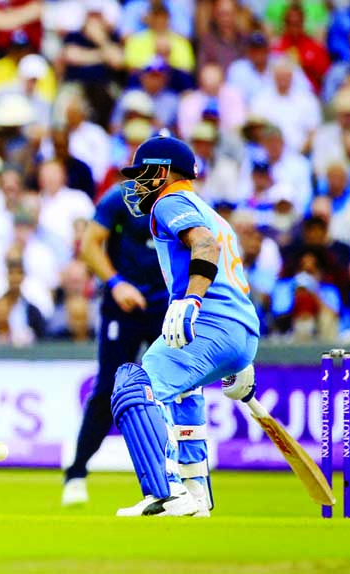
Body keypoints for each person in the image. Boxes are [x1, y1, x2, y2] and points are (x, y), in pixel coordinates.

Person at [110, 135, 259, 517]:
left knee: (135, 386)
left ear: (162, 172)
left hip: (208, 319)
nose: (136, 184)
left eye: (142, 175)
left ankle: (166, 492)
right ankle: (195, 494)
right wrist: (239, 358)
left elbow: (205, 246)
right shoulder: (211, 211)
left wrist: (191, 299)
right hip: (239, 328)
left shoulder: (170, 201)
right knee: (183, 393)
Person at [60, 181, 169, 506]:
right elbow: (90, 245)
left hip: (167, 304)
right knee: (108, 388)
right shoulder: (121, 197)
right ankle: (76, 473)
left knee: (175, 391)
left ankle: (178, 480)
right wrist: (116, 282)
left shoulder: (182, 200)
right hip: (122, 305)